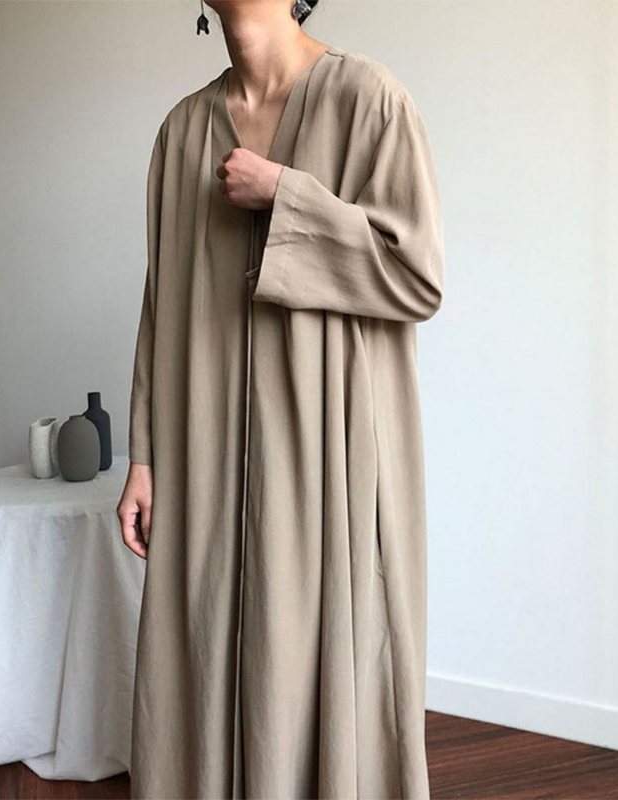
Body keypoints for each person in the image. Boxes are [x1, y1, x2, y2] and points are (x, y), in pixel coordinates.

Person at [116, 1, 444, 797]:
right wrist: (143, 456)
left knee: (318, 643)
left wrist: (286, 195)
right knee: (201, 640)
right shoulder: (182, 132)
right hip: (202, 443)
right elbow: (162, 306)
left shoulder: (367, 99)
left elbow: (416, 277)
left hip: (330, 443)